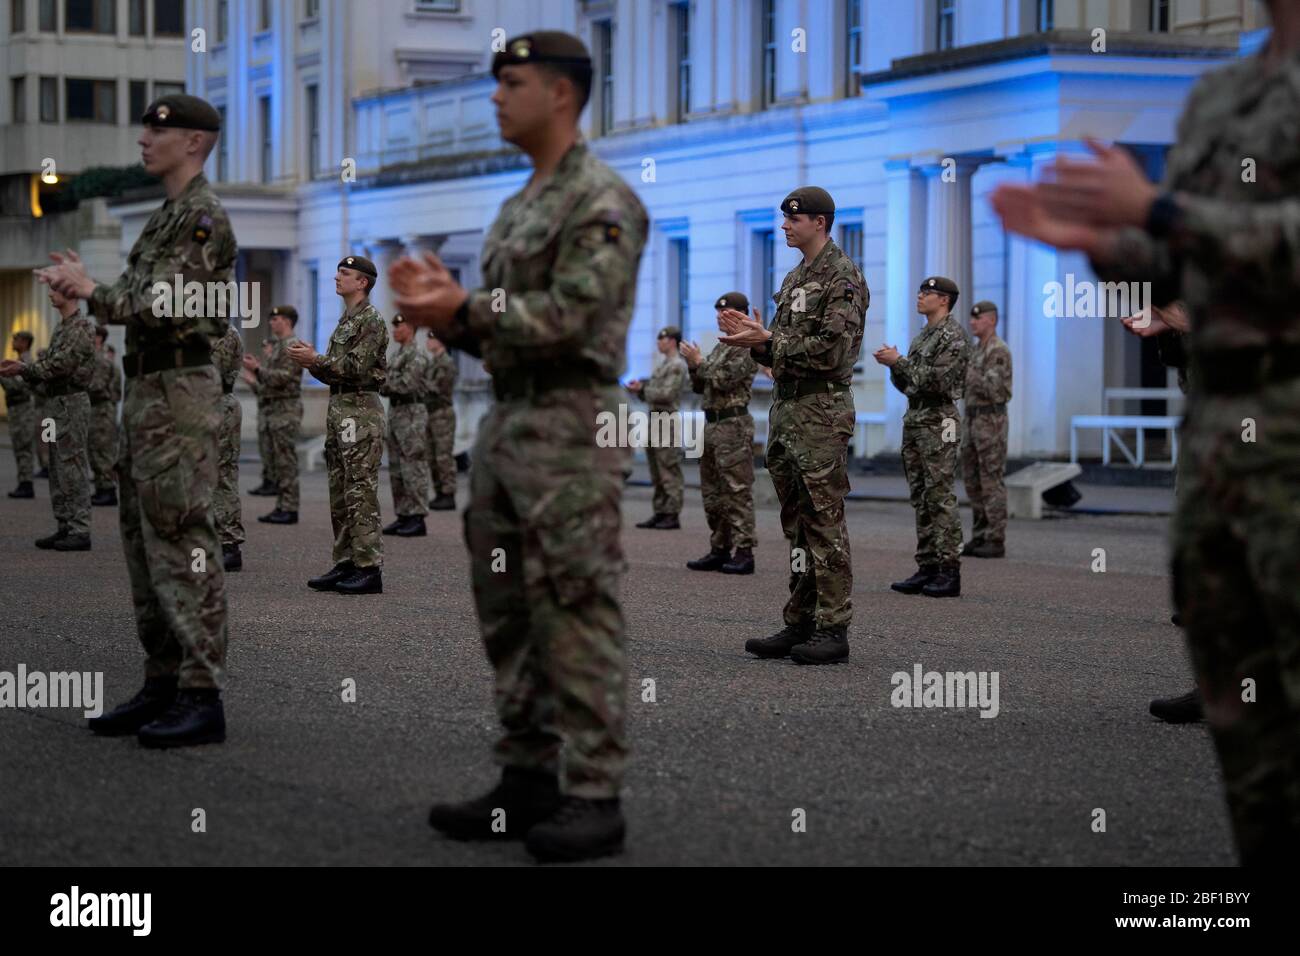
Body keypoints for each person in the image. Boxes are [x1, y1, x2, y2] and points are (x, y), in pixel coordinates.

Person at [990, 0, 1300, 862]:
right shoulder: (1222, 96)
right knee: (1250, 737)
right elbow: (1185, 255)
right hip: (1224, 433)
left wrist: (1159, 214)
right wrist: (1098, 238)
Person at [389, 30, 648, 862]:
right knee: (507, 613)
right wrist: (449, 315)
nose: (496, 97)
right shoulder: (520, 203)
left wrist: (463, 311)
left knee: (574, 604)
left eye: (512, 82)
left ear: (562, 94)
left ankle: (594, 792)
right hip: (507, 424)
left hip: (570, 429)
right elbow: (500, 333)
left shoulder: (600, 199)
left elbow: (574, 318)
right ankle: (526, 773)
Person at [38, 94, 235, 748]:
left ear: (197, 142)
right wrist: (85, 295)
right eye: (146, 127)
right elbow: (137, 307)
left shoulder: (203, 217)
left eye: (161, 128)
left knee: (182, 535)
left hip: (180, 389)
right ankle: (163, 681)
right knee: (143, 539)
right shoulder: (166, 217)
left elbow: (168, 302)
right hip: (150, 387)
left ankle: (202, 694)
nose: (146, 138)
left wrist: (94, 291)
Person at [719, 186, 867, 664]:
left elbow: (832, 352)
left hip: (821, 415)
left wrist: (770, 340)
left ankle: (833, 627)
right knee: (797, 526)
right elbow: (784, 351)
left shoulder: (842, 278)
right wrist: (757, 343)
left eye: (793, 220)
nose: (785, 226)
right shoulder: (796, 278)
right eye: (784, 219)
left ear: (820, 222)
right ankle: (799, 621)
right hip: (787, 414)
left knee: (824, 522)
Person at [292, 256, 387, 595]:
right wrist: (312, 359)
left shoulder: (371, 320)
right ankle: (346, 561)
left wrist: (315, 359)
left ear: (362, 282)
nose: (336, 277)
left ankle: (368, 567)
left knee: (359, 488)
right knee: (340, 487)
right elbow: (334, 371)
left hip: (360, 411)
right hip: (342, 407)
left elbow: (356, 367)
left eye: (344, 273)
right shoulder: (347, 319)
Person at [877, 277, 970, 599]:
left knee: (940, 495)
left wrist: (898, 362)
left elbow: (937, 382)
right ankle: (928, 565)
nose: (919, 297)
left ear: (943, 300)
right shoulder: (925, 335)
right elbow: (911, 385)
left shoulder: (953, 336)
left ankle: (949, 570)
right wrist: (895, 366)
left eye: (926, 293)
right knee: (921, 495)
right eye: (920, 291)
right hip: (916, 417)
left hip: (939, 419)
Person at [0, 287, 94, 550]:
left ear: (70, 294)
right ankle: (64, 524)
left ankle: (80, 529)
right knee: (56, 465)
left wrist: (24, 369)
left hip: (71, 403)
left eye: (55, 291)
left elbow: (60, 365)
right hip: (55, 402)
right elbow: (48, 372)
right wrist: (24, 374)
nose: (51, 295)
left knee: (72, 464)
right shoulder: (63, 328)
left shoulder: (81, 328)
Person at [681, 292, 758, 575]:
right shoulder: (723, 346)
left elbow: (726, 380)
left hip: (733, 425)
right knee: (713, 493)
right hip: (712, 424)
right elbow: (702, 386)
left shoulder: (747, 345)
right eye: (717, 314)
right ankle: (720, 547)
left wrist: (699, 361)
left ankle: (745, 551)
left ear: (740, 314)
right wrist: (693, 366)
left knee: (736, 490)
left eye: (725, 314)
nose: (719, 318)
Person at [960, 300, 1012, 559]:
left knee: (991, 480)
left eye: (977, 319)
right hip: (971, 420)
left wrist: (968, 372)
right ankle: (979, 534)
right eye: (972, 318)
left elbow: (994, 390)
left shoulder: (998, 351)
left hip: (991, 421)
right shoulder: (975, 350)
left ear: (991, 320)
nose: (972, 322)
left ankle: (995, 537)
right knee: (972, 480)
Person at [244, 306, 303, 524]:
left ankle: (289, 507)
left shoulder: (293, 346)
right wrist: (255, 379)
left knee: (286, 461)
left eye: (275, 318)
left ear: (287, 321)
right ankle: (282, 505)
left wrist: (258, 369)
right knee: (277, 462)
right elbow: (269, 385)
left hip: (286, 410)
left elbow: (284, 378)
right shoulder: (279, 347)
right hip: (274, 409)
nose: (271, 323)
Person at [625, 326, 688, 529]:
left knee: (668, 468)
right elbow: (654, 393)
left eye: (661, 340)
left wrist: (643, 388)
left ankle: (672, 512)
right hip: (655, 419)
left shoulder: (677, 365)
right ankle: (660, 510)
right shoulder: (664, 365)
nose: (658, 343)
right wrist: (640, 390)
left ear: (671, 341)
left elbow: (667, 394)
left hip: (666, 420)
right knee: (656, 468)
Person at [381, 313, 431, 537]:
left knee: (413, 466)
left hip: (412, 413)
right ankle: (403, 514)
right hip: (397, 412)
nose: (394, 330)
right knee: (397, 468)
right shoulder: (397, 354)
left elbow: (406, 385)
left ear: (410, 328)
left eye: (398, 325)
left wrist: (382, 381)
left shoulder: (417, 354)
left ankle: (417, 517)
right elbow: (386, 385)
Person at [211, 321, 244, 571]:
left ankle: (228, 544)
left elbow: (213, 372)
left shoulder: (223, 332)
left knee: (222, 476)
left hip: (219, 405)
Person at [87, 325, 121, 506]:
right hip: (97, 409)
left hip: (102, 411)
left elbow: (96, 386)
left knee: (102, 452)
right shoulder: (96, 358)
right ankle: (101, 489)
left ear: (99, 338)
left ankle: (108, 490)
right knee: (95, 451)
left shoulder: (100, 361)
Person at [424, 334, 458, 511]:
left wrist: (419, 382)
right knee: (432, 456)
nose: (428, 342)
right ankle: (439, 493)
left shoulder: (446, 362)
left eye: (431, 339)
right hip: (431, 413)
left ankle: (448, 494)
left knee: (443, 456)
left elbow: (438, 388)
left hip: (442, 413)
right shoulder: (432, 362)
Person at [2, 330, 37, 498]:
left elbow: (15, 387)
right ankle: (24, 482)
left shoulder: (26, 362)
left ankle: (26, 485)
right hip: (17, 409)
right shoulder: (19, 361)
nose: (13, 341)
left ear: (24, 342)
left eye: (16, 339)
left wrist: (1, 375)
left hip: (23, 409)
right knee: (19, 447)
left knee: (24, 448)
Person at [248, 339, 277, 496]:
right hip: (265, 414)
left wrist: (254, 381)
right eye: (263, 347)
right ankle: (267, 481)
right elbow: (262, 392)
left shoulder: (274, 366)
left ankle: (273, 483)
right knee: (265, 451)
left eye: (267, 347)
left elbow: (269, 391)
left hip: (275, 413)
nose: (265, 350)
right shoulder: (267, 366)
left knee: (273, 452)